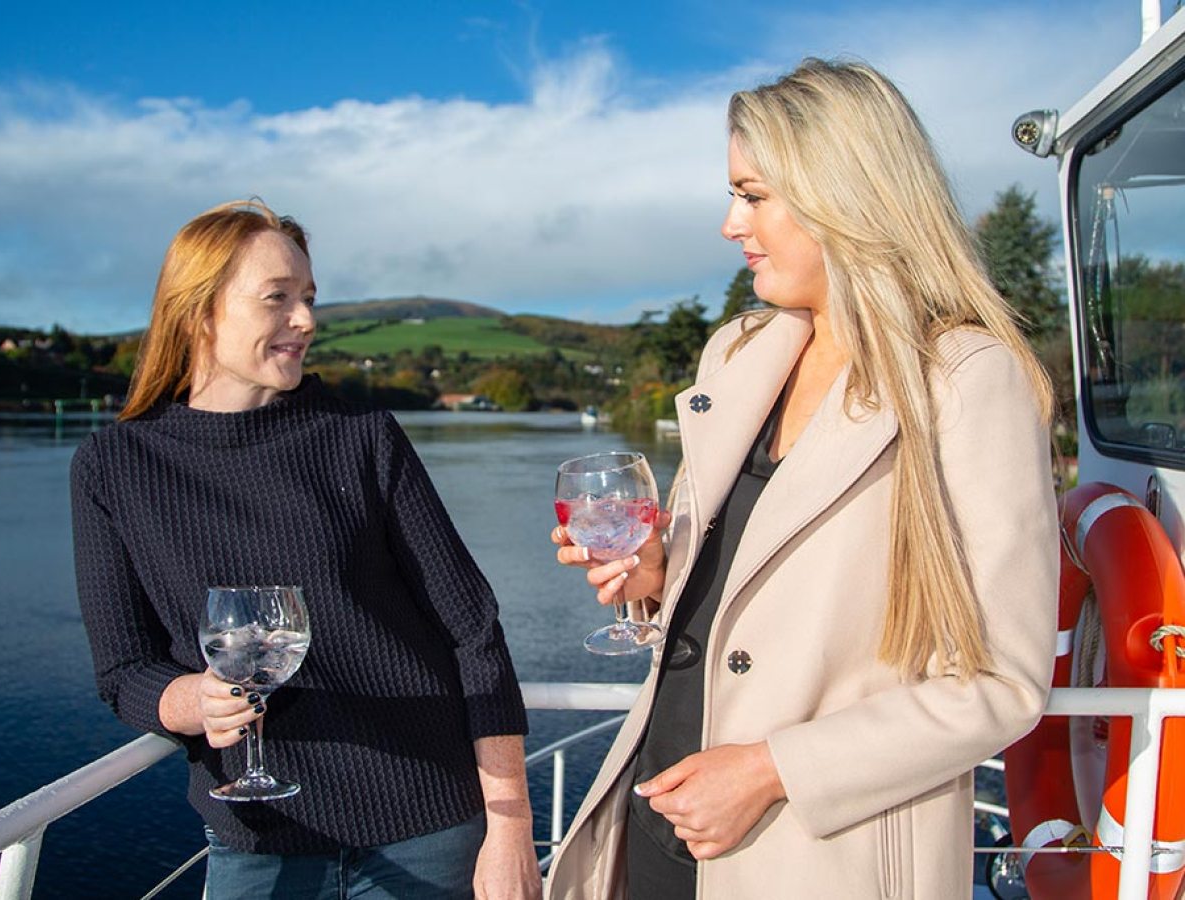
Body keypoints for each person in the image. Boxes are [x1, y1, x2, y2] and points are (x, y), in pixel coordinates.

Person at [547, 59, 1059, 899]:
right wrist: (654, 576)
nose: (728, 224)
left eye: (752, 195)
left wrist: (767, 771)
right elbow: (733, 584)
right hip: (663, 810)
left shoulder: (967, 378)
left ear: (844, 196)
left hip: (814, 846)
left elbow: (1000, 683)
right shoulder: (739, 354)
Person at [70, 200, 541, 899]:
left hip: (430, 834)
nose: (307, 321)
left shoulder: (360, 438)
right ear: (198, 311)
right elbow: (122, 671)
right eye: (278, 299)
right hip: (257, 844)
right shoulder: (113, 466)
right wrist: (189, 700)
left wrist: (510, 831)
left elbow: (472, 629)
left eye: (309, 298)